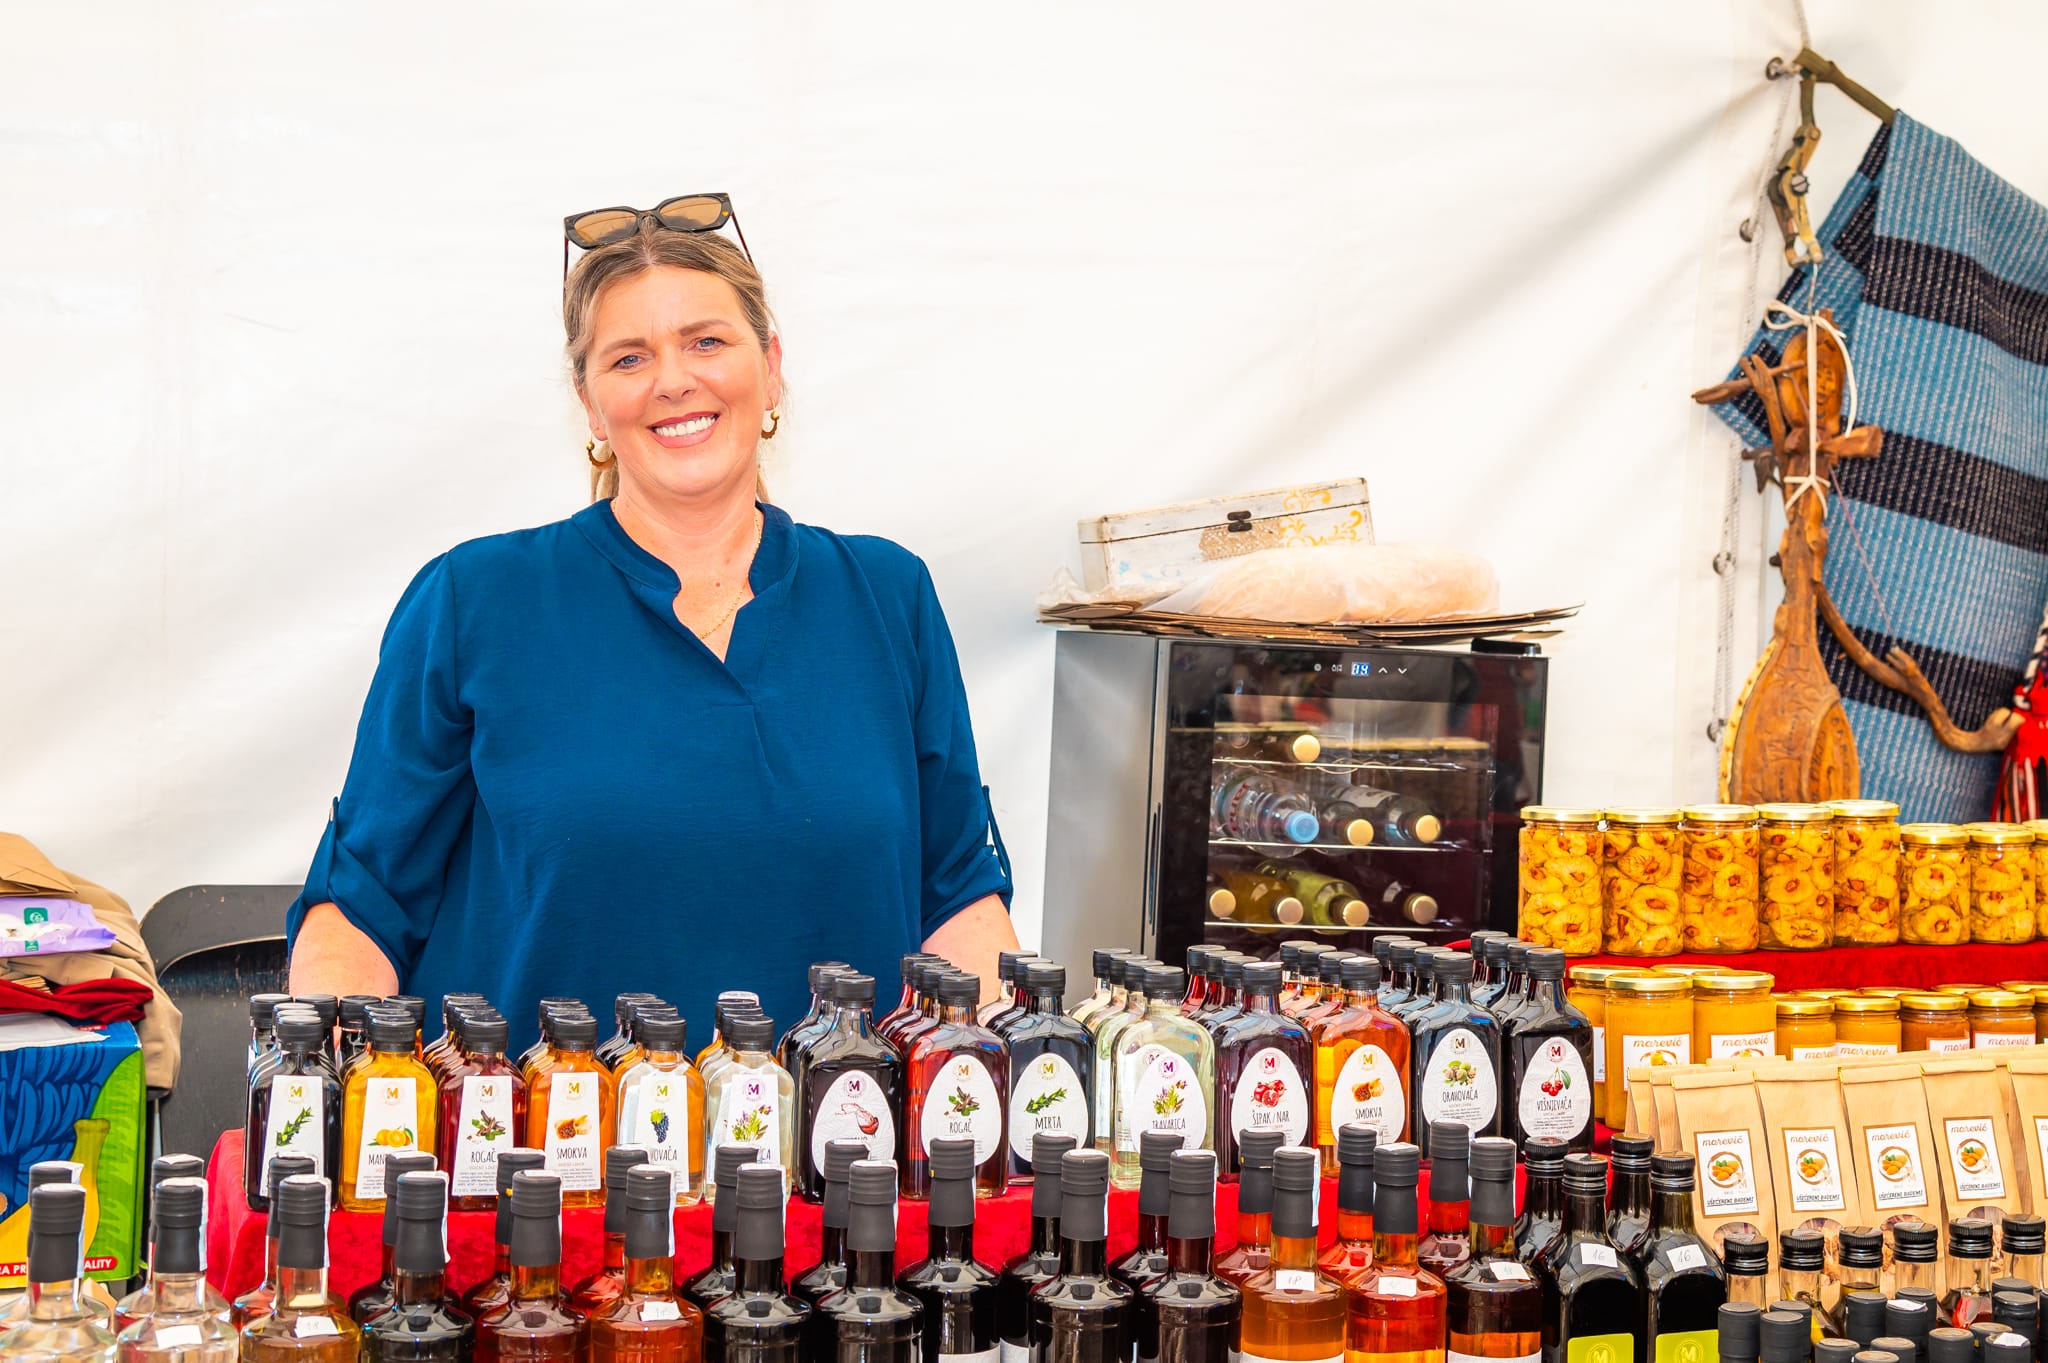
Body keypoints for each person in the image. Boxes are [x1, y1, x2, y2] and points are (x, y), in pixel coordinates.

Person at [286, 198, 1018, 1044]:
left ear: (771, 366)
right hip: (542, 1124)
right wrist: (333, 1084)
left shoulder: (888, 597)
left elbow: (958, 896)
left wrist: (993, 1076)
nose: (674, 380)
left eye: (706, 342)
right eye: (630, 357)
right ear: (591, 405)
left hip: (840, 1125)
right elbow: (362, 906)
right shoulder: (474, 601)